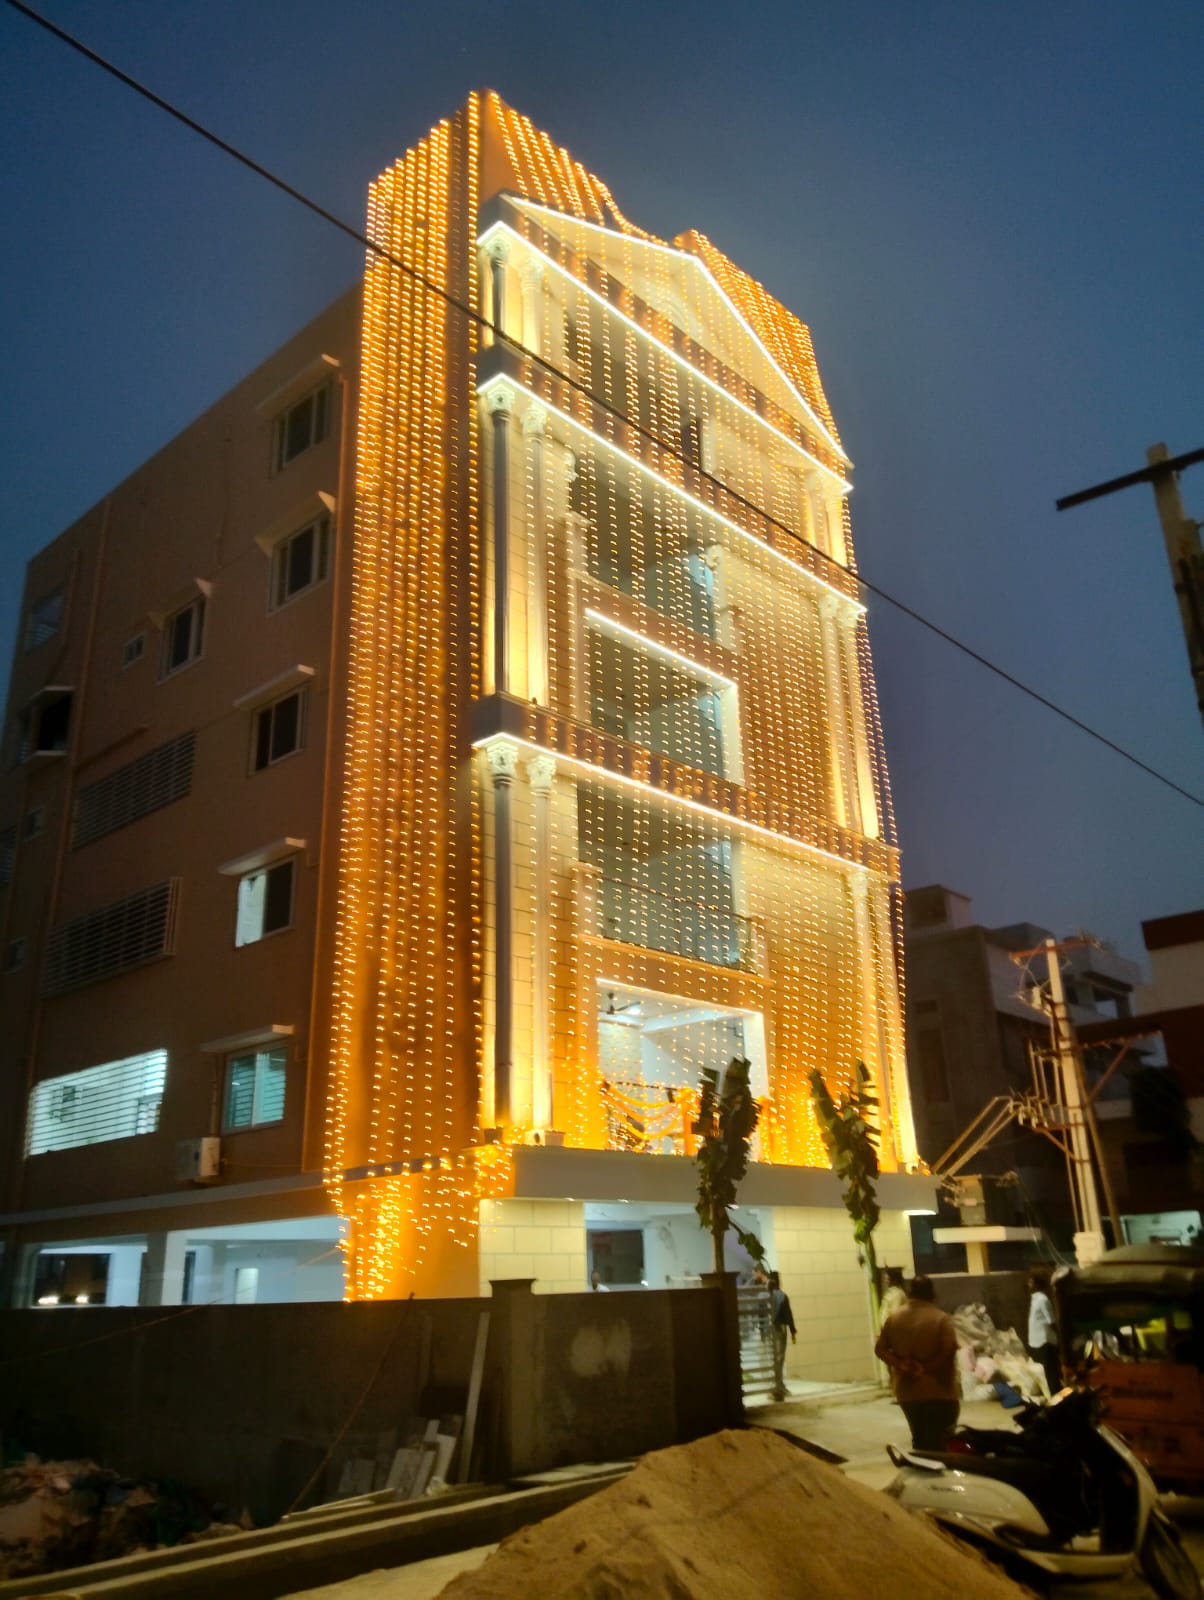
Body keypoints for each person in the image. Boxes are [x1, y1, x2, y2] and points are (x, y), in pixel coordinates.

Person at [874, 1274, 959, 1451]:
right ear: (932, 1294)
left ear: (910, 1293)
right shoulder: (940, 1319)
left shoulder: (894, 1319)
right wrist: (926, 1368)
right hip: (939, 1391)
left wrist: (900, 1364)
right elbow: (948, 1351)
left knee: (920, 1438)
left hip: (908, 1392)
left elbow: (880, 1349)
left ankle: (921, 1467)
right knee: (943, 1442)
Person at [1028, 1268, 1061, 1396]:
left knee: (1051, 1373)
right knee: (1048, 1373)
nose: (1029, 1285)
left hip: (1046, 1341)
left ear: (1037, 1284)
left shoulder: (1042, 1299)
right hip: (1039, 1341)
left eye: (1031, 1282)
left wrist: (1059, 1338)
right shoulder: (1035, 1299)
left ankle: (1057, 1397)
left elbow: (1051, 1321)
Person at [768, 1271, 796, 1401]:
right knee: (779, 1358)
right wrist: (793, 1331)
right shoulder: (782, 1296)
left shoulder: (768, 1296)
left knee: (775, 1359)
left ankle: (777, 1385)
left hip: (771, 1329)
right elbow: (788, 1315)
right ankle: (779, 1386)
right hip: (780, 1327)